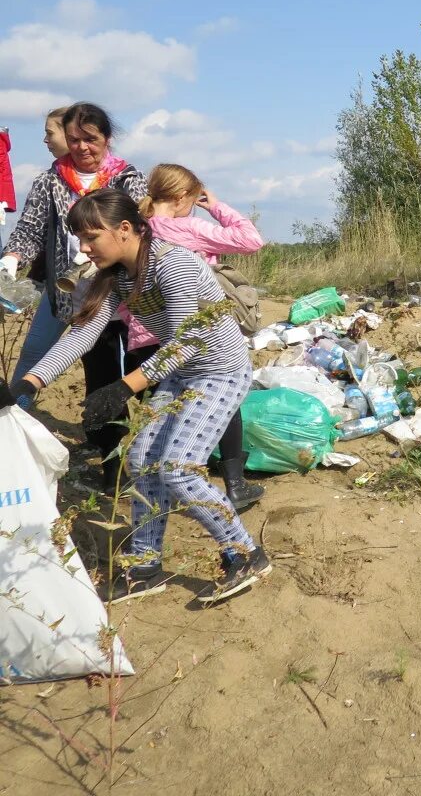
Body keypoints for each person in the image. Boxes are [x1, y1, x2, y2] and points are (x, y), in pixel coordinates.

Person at [10, 189, 271, 604]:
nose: (85, 248)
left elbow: (188, 340)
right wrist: (27, 384)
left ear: (126, 229)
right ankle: (146, 565)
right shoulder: (116, 277)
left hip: (219, 371)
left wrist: (124, 385)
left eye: (92, 237)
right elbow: (81, 335)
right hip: (178, 373)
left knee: (178, 467)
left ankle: (244, 554)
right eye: (80, 238)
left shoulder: (175, 263)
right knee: (140, 460)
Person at [1, 104, 147, 487]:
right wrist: (13, 258)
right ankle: (112, 468)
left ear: (106, 139)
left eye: (91, 139)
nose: (82, 147)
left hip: (122, 297)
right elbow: (30, 229)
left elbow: (141, 229)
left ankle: (153, 458)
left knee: (142, 374)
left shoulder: (127, 177)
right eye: (75, 139)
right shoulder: (51, 179)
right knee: (99, 379)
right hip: (76, 297)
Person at [120, 163, 265, 510]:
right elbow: (251, 240)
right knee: (223, 406)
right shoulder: (190, 227)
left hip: (144, 337)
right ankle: (234, 484)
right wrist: (215, 205)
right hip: (192, 337)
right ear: (184, 196)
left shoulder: (135, 231)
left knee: (156, 415)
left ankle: (153, 489)